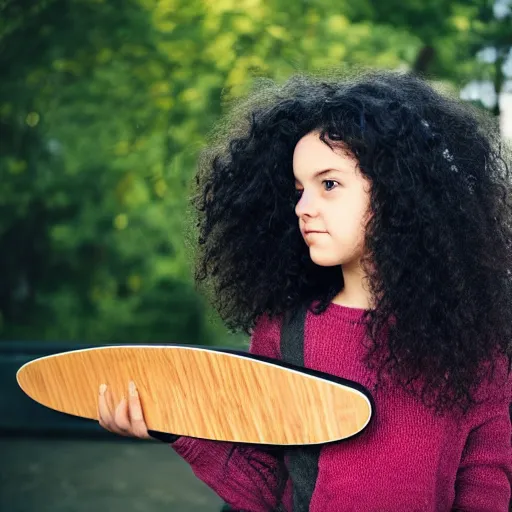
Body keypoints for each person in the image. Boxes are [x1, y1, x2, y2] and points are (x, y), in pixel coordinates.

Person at [97, 69, 512, 511]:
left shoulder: (475, 339)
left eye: (329, 185)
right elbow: (264, 484)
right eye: (298, 190)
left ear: (400, 190)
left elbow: (486, 482)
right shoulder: (284, 330)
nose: (303, 208)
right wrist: (171, 424)